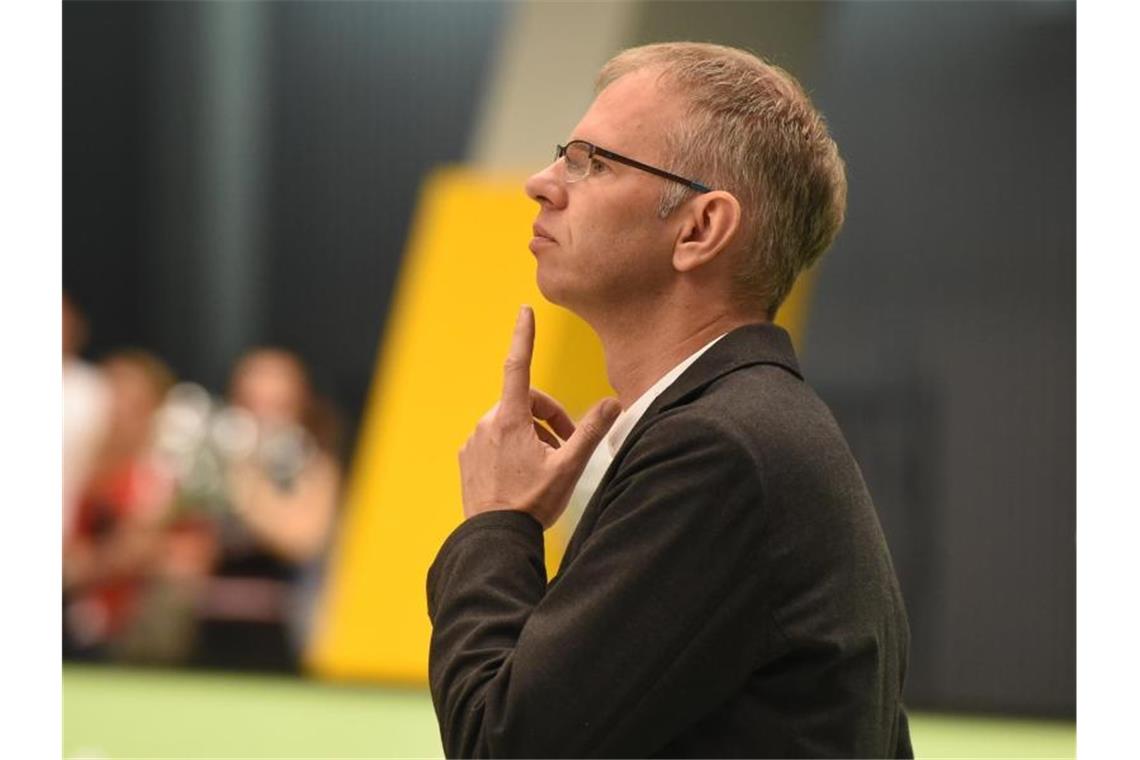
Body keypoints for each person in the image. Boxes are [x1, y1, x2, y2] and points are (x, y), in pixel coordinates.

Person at [426, 42, 913, 757]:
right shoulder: (749, 428)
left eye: (591, 161)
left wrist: (498, 523)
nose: (540, 182)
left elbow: (503, 744)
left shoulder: (721, 453)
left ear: (700, 228)